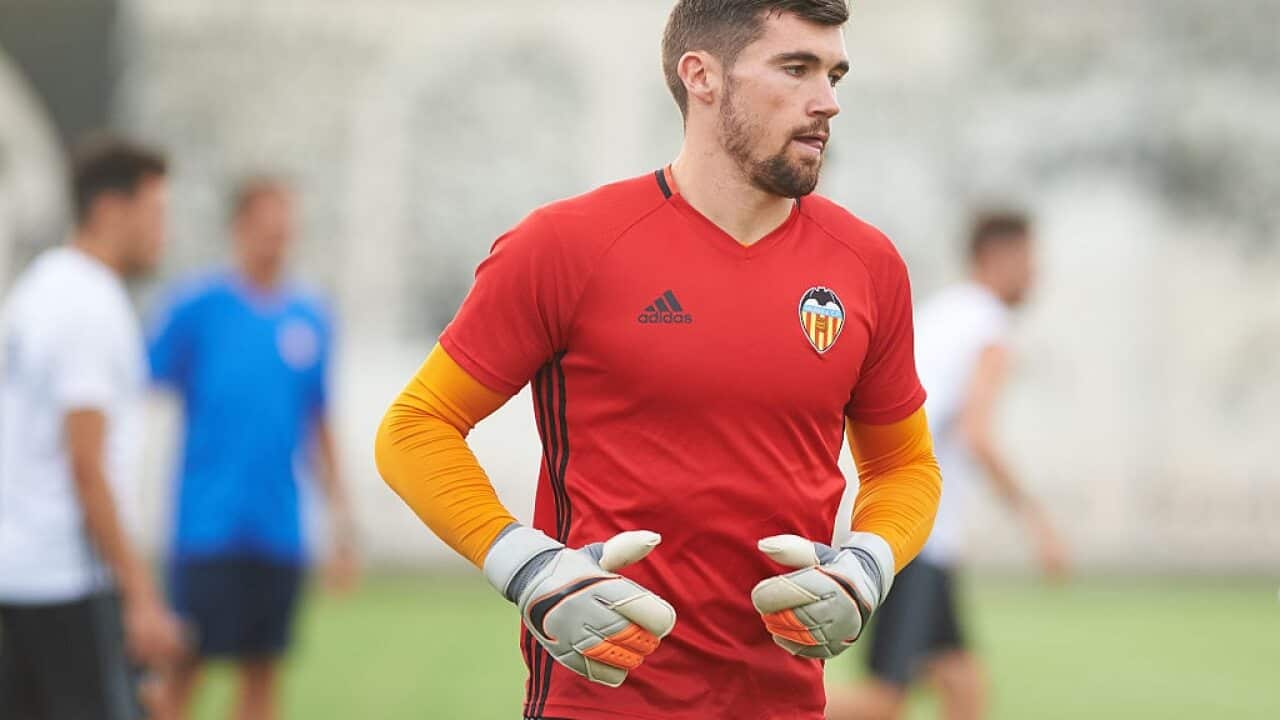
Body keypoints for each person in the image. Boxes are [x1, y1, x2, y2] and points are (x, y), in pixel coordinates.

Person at [376, 1, 943, 718]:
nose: (826, 101)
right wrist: (530, 568)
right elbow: (415, 428)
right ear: (700, 76)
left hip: (785, 705)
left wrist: (868, 564)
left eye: (834, 74)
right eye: (795, 69)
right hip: (598, 703)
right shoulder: (566, 245)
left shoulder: (867, 264)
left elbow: (905, 467)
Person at [825, 212, 1070, 720]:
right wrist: (1037, 522)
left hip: (915, 530)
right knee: (882, 701)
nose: (1036, 274)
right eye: (1028, 260)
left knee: (963, 685)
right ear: (997, 257)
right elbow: (979, 437)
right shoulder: (988, 328)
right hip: (920, 536)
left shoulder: (944, 313)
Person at [148, 178, 357, 720]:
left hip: (277, 526)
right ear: (239, 227)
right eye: (267, 224)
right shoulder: (197, 307)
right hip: (206, 523)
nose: (278, 236)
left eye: (286, 225)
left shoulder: (309, 317)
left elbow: (319, 422)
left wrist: (340, 520)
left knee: (263, 673)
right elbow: (138, 386)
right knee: (183, 667)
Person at [0, 137, 185, 719]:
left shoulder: (36, 288)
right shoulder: (90, 305)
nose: (164, 231)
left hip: (15, 575)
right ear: (109, 210)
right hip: (66, 583)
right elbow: (86, 463)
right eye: (155, 212)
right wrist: (142, 597)